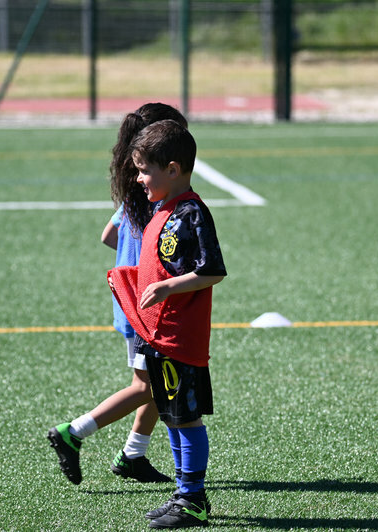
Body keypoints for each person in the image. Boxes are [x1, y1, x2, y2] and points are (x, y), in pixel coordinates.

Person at [47, 103, 188, 485]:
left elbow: (108, 236)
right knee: (147, 386)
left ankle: (132, 455)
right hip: (146, 308)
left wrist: (133, 263)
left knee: (158, 385)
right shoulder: (158, 199)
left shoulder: (135, 194)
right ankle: (73, 432)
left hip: (134, 301)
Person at [108, 119, 226, 529]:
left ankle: (192, 498)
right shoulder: (163, 209)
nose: (139, 179)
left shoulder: (192, 213)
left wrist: (165, 287)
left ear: (173, 170)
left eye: (145, 171)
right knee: (173, 417)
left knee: (186, 418)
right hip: (156, 336)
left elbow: (212, 270)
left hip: (178, 338)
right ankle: (184, 493)